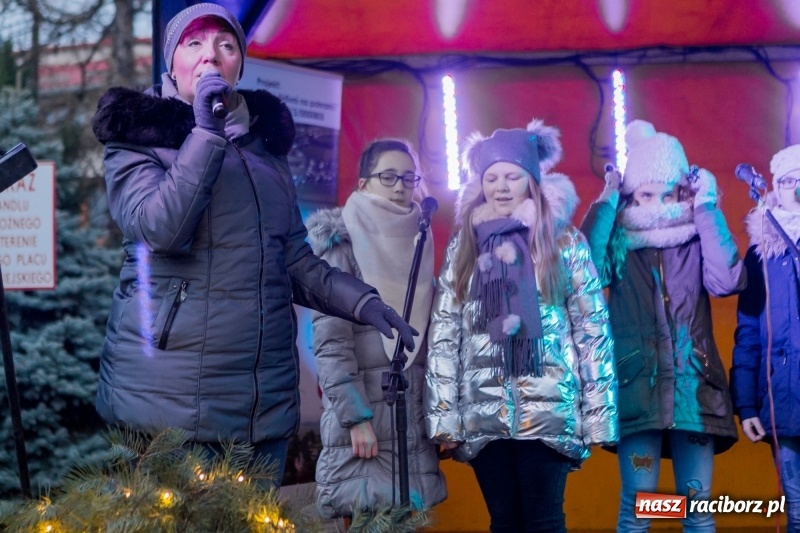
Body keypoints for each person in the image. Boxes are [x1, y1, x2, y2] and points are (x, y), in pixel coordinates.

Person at [89, 3, 415, 486]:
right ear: (170, 62)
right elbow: (160, 228)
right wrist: (205, 133)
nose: (210, 55)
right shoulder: (137, 140)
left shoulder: (266, 153)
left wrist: (363, 303)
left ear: (239, 63)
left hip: (262, 406)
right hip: (173, 407)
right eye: (194, 43)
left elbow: (294, 260)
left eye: (225, 44)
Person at [425, 119, 618, 533]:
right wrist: (445, 418)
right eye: (491, 177)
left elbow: (592, 333)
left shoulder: (562, 242)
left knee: (544, 520)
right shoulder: (465, 245)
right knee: (504, 521)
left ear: (532, 180)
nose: (501, 185)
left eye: (512, 176)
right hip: (483, 415)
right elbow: (445, 334)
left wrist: (599, 415)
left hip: (549, 411)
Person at [580, 120, 745, 532]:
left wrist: (707, 207)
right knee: (640, 509)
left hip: (693, 389)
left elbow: (727, 280)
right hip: (638, 391)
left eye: (667, 193)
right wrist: (606, 202)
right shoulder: (619, 243)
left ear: (682, 192)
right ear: (630, 195)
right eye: (645, 193)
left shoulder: (695, 237)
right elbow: (581, 272)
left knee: (698, 509)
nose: (655, 203)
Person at [306, 138, 447, 518]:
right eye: (388, 176)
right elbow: (331, 344)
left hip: (409, 417)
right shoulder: (342, 245)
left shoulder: (421, 240)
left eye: (408, 177)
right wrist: (355, 419)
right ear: (364, 183)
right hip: (365, 418)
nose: (401, 185)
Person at [730, 144, 800, 533]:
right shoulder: (761, 254)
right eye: (788, 181)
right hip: (784, 400)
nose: (795, 190)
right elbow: (749, 332)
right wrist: (746, 404)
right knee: (798, 511)